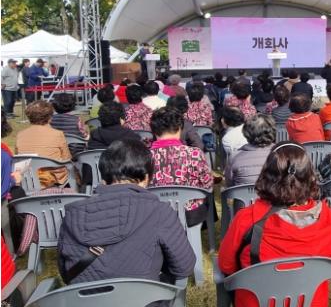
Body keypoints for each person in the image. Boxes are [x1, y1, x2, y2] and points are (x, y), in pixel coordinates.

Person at [219, 142, 331, 307]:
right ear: (309, 176)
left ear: (267, 174)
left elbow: (226, 265)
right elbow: (330, 260)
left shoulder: (246, 219)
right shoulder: (327, 217)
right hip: (311, 301)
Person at [58, 139, 195, 284]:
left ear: (103, 177)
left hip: (82, 296)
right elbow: (184, 268)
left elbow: (65, 272)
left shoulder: (72, 215)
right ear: (146, 178)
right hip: (146, 295)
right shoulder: (161, 212)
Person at [149, 107, 212, 225]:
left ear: (154, 131)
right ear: (179, 129)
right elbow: (208, 185)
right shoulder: (194, 154)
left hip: (155, 214)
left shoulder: (144, 156)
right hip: (190, 214)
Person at [16, 101, 71, 187]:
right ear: (50, 117)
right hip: (53, 179)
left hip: (28, 179)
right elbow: (67, 159)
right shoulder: (57, 134)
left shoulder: (20, 135)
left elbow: (18, 159)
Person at [225, 114, 276, 187]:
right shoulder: (282, 154)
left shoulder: (234, 157)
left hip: (242, 194)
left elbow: (229, 185)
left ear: (246, 133)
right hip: (272, 194)